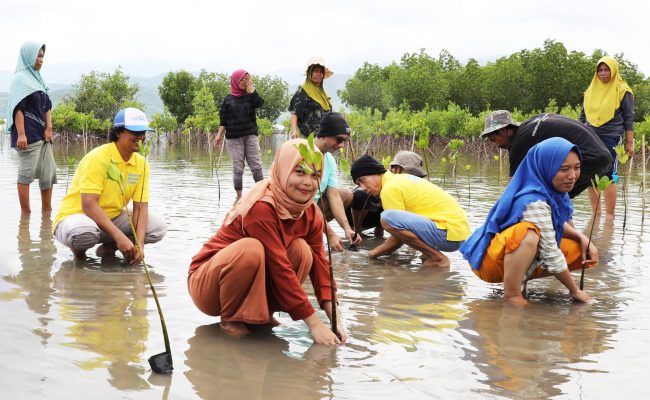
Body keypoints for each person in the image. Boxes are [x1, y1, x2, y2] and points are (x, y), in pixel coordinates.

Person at [187, 139, 347, 345]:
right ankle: (232, 320)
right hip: (208, 285)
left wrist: (335, 320)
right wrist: (314, 325)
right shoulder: (261, 207)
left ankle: (260, 316)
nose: (308, 182)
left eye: (315, 175)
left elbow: (321, 268)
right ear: (283, 170)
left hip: (249, 276)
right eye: (299, 172)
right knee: (251, 249)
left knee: (302, 251)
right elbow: (280, 267)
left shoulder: (311, 213)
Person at [459, 137, 597, 307]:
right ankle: (512, 295)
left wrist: (580, 236)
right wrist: (575, 291)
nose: (572, 176)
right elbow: (551, 254)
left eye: (577, 167)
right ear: (546, 168)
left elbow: (554, 224)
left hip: (505, 253)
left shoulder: (552, 191)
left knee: (580, 249)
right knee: (528, 234)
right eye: (564, 169)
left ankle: (520, 281)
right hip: (489, 264)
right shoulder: (534, 201)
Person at [53, 108, 167, 262]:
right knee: (83, 232)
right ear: (119, 132)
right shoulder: (98, 157)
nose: (141, 137)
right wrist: (120, 236)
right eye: (135, 132)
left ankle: (108, 249)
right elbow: (88, 205)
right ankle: (79, 258)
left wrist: (139, 245)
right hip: (76, 219)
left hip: (112, 218)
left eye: (143, 133)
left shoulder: (142, 164)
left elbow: (141, 207)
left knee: (157, 227)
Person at [350, 155, 470, 268]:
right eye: (358, 184)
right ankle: (430, 257)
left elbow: (397, 235)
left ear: (376, 173)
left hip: (447, 234)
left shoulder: (390, 188)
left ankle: (437, 258)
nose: (363, 188)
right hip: (457, 234)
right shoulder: (401, 179)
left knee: (387, 218)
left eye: (362, 180)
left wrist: (371, 254)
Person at [481, 110, 612, 199]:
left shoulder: (519, 141)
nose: (497, 146)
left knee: (551, 198)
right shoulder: (528, 125)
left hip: (591, 158)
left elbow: (513, 188)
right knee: (556, 197)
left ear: (504, 130)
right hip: (601, 154)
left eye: (494, 140)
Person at [579, 56, 635, 218]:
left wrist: (629, 143)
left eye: (606, 69)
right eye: (600, 70)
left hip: (611, 136)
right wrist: (577, 135)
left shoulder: (623, 90)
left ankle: (610, 217)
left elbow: (629, 118)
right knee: (590, 174)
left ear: (614, 70)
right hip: (589, 136)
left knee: (608, 175)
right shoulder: (590, 91)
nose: (603, 73)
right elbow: (583, 117)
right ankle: (596, 215)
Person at [6, 41, 57, 214]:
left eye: (42, 56)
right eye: (37, 55)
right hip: (28, 136)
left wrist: (49, 128)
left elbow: (47, 106)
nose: (41, 59)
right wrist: (21, 134)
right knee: (26, 175)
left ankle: (47, 212)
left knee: (48, 174)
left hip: (43, 137)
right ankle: (25, 215)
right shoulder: (20, 80)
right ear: (28, 57)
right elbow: (18, 108)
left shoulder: (38, 79)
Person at [346, 150, 428, 238]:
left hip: (379, 217)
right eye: (410, 174)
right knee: (361, 195)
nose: (412, 178)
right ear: (396, 169)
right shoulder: (384, 184)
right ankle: (357, 231)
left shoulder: (406, 188)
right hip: (360, 214)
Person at [311, 112, 361, 251]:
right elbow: (305, 202)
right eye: (339, 140)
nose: (341, 145)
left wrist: (346, 229)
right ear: (324, 134)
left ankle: (314, 229)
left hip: (313, 208)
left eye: (344, 141)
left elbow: (333, 196)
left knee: (345, 193)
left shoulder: (329, 159)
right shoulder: (306, 154)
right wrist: (330, 234)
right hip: (299, 209)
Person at [214, 69, 265, 200]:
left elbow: (260, 103)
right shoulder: (227, 100)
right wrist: (219, 136)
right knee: (238, 168)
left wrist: (251, 87)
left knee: (256, 165)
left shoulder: (251, 96)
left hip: (250, 135)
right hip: (233, 138)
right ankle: (239, 197)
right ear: (235, 81)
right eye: (242, 79)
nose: (244, 81)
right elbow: (223, 121)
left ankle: (262, 194)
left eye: (246, 79)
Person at [289, 57, 333, 138]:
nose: (318, 74)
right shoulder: (303, 91)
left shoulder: (322, 93)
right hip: (306, 136)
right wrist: (294, 130)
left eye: (321, 72)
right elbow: (295, 112)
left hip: (322, 137)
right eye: (316, 71)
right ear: (310, 73)